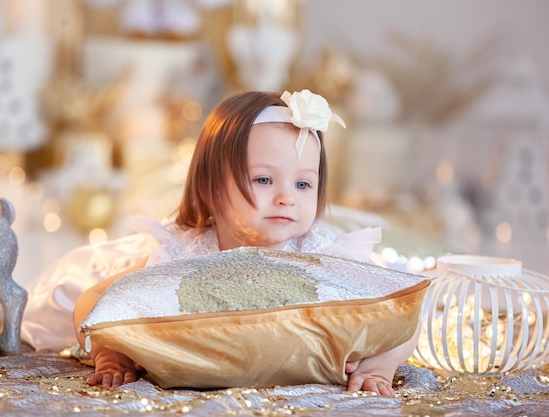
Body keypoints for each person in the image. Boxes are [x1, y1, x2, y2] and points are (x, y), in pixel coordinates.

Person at [72, 89, 420, 397]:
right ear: (211, 189)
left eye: (303, 185)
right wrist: (109, 355)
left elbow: (404, 316)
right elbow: (94, 301)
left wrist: (379, 364)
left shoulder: (324, 256)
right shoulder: (186, 254)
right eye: (264, 179)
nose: (287, 198)